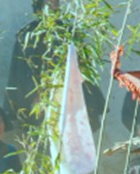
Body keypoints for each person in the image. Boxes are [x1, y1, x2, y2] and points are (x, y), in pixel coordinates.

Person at [6, 0, 106, 131]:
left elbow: (82, 67)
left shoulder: (69, 33)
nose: (55, 7)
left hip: (69, 96)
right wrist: (34, 96)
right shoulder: (27, 35)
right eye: (50, 4)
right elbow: (20, 72)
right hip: (39, 100)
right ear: (39, 8)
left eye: (57, 3)